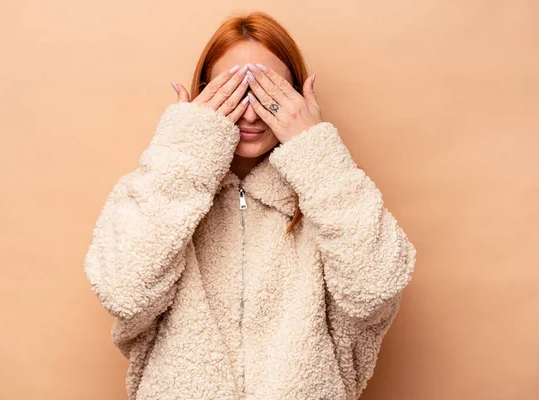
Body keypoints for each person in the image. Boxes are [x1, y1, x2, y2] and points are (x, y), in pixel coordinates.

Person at [83, 11, 417, 400]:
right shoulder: (159, 187)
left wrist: (315, 150)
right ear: (206, 92)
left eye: (268, 91)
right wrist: (186, 149)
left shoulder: (332, 192)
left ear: (296, 97)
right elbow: (124, 291)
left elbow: (376, 289)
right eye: (234, 90)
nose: (252, 112)